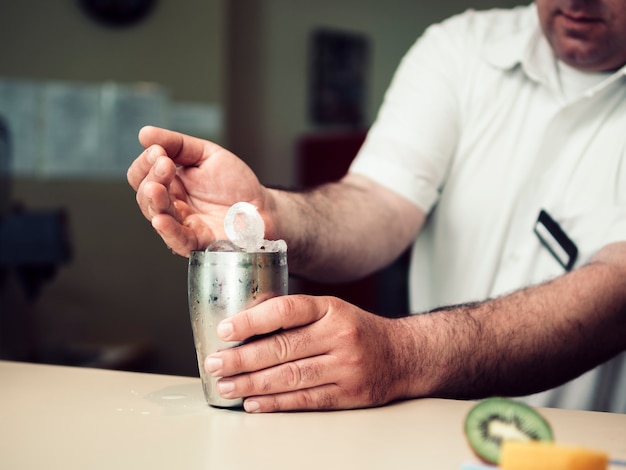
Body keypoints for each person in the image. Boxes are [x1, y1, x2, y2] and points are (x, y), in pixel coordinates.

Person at [127, 0, 626, 414]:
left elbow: (616, 294)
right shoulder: (460, 48)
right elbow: (378, 203)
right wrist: (266, 214)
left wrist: (404, 354)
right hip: (436, 436)